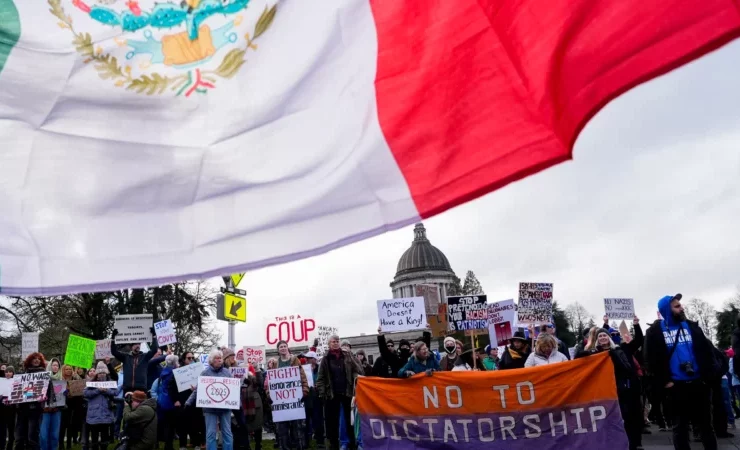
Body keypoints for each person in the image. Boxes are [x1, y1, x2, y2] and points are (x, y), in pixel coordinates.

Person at [644, 293, 721, 450]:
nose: (682, 308)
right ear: (667, 310)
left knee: (706, 426)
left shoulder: (692, 326)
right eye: (677, 306)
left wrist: (708, 376)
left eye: (680, 305)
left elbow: (707, 352)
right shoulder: (654, 332)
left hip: (699, 383)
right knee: (680, 428)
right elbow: (650, 360)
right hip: (676, 386)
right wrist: (666, 382)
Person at [577, 327, 642, 450]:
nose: (602, 338)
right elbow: (578, 359)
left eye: (604, 335)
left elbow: (627, 368)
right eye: (600, 336)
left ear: (609, 338)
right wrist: (588, 346)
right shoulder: (594, 353)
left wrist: (614, 355)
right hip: (602, 391)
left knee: (625, 418)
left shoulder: (618, 350)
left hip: (620, 390)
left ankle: (630, 444)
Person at [316, 335, 363, 450]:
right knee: (332, 422)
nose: (336, 343)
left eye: (337, 341)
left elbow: (359, 370)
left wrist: (351, 356)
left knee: (350, 421)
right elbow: (320, 378)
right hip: (331, 395)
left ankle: (352, 444)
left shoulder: (347, 355)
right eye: (333, 341)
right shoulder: (325, 358)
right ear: (329, 344)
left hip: (347, 393)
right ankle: (334, 445)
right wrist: (322, 393)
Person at [186, 349, 233, 450]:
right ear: (211, 360)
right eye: (217, 358)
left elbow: (233, 390)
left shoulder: (227, 373)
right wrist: (189, 401)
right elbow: (198, 389)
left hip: (225, 408)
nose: (219, 360)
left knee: (227, 432)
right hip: (210, 408)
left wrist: (238, 404)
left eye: (220, 358)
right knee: (210, 433)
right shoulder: (205, 373)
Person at [271, 341, 309, 450]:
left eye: (285, 346)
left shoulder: (295, 360)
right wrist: (270, 395)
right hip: (281, 402)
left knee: (297, 428)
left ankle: (299, 447)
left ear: (288, 348)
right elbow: (270, 381)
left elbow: (302, 377)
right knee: (282, 430)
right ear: (278, 350)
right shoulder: (275, 364)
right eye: (281, 347)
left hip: (295, 400)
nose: (283, 348)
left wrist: (304, 391)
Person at [15, 352, 54, 450]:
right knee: (20, 436)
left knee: (32, 436)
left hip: (35, 409)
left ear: (41, 361)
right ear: (30, 361)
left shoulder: (44, 375)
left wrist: (46, 398)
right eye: (34, 358)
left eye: (38, 359)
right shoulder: (23, 374)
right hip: (22, 409)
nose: (36, 360)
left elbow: (50, 390)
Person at [110, 328, 159, 394]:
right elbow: (114, 352)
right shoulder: (125, 357)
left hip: (141, 389)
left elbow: (154, 349)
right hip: (127, 390)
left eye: (139, 344)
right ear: (131, 347)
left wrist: (154, 336)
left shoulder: (145, 357)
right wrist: (113, 338)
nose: (138, 345)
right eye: (136, 344)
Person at [83, 362, 116, 450]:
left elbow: (115, 392)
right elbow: (85, 393)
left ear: (106, 373)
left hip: (106, 414)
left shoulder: (110, 383)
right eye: (100, 373)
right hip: (94, 415)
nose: (102, 374)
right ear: (97, 373)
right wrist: (98, 390)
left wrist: (106, 391)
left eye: (103, 372)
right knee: (94, 438)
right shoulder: (91, 383)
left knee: (104, 438)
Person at [234, 369, 263, 450]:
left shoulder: (251, 378)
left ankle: (258, 445)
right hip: (243, 405)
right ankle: (247, 445)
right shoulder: (236, 379)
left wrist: (257, 370)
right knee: (244, 426)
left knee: (257, 426)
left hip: (255, 405)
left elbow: (259, 382)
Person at [156, 355, 180, 450]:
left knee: (165, 424)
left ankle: (162, 443)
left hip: (163, 401)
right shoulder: (174, 373)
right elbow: (173, 388)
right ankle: (168, 446)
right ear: (174, 363)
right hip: (171, 401)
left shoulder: (163, 372)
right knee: (171, 425)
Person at [40, 358, 63, 450]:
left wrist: (66, 393)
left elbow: (62, 397)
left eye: (57, 365)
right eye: (54, 365)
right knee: (43, 435)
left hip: (56, 410)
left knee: (54, 435)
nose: (55, 367)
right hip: (45, 410)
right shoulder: (43, 378)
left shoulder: (61, 379)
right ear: (50, 366)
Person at [303, 352, 324, 449]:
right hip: (306, 397)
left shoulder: (320, 369)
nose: (307, 360)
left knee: (318, 420)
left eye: (310, 358)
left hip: (317, 397)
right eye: (307, 358)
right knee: (306, 420)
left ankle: (320, 441)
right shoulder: (303, 369)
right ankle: (306, 441)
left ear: (315, 359)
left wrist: (318, 386)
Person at [59, 365, 80, 450]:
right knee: (62, 426)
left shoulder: (75, 379)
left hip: (72, 405)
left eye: (70, 369)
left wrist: (76, 376)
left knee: (70, 425)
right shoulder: (60, 380)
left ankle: (69, 445)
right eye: (66, 369)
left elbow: (80, 388)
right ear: (63, 370)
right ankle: (61, 445)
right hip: (62, 406)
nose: (68, 370)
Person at [1, 366, 16, 450]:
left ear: (13, 373)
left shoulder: (16, 383)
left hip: (12, 411)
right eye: (6, 372)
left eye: (10, 372)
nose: (8, 373)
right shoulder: (1, 382)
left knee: (11, 430)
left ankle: (9, 447)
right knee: (2, 431)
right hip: (2, 410)